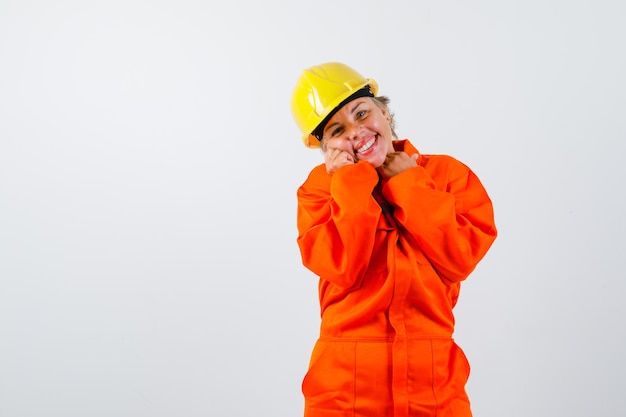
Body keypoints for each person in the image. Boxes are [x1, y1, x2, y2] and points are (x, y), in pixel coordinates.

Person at [289, 62, 498, 417]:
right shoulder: (319, 190)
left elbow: (459, 259)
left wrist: (410, 184)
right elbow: (345, 268)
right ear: (324, 147)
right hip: (343, 393)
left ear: (384, 111)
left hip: (433, 389)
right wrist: (351, 183)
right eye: (338, 129)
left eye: (362, 113)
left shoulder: (447, 176)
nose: (356, 132)